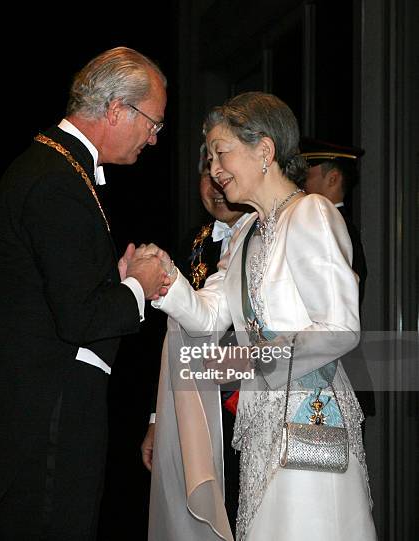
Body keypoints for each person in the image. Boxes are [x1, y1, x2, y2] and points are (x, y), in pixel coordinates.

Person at [0, 46, 170, 540]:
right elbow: (79, 320)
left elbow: (57, 291)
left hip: (44, 409)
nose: (154, 139)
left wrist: (114, 278)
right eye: (153, 123)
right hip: (47, 418)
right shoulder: (55, 179)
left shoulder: (57, 169)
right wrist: (140, 284)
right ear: (116, 109)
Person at [151, 91, 376, 540]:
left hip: (310, 422)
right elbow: (210, 316)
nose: (214, 169)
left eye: (221, 152)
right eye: (210, 156)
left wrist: (246, 363)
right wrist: (161, 278)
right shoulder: (245, 235)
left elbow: (339, 328)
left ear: (264, 151)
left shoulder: (310, 213)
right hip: (259, 431)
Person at [141, 143, 251, 537]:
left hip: (248, 406)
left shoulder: (264, 233)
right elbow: (169, 336)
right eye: (208, 174)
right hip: (194, 407)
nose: (216, 184)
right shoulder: (193, 241)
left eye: (223, 171)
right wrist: (157, 419)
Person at [300, 137, 368, 304]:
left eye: (307, 177)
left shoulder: (332, 228)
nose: (301, 185)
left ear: (333, 179)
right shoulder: (333, 224)